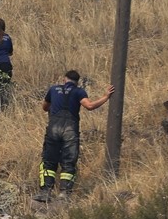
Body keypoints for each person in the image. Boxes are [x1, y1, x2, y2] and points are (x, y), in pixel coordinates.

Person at [34, 71, 114, 201]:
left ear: (64, 79)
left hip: (54, 127)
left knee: (49, 160)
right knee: (69, 161)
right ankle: (64, 193)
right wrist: (105, 97)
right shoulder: (79, 92)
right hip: (70, 129)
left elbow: (44, 107)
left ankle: (46, 192)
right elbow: (89, 106)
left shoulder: (54, 89)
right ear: (77, 82)